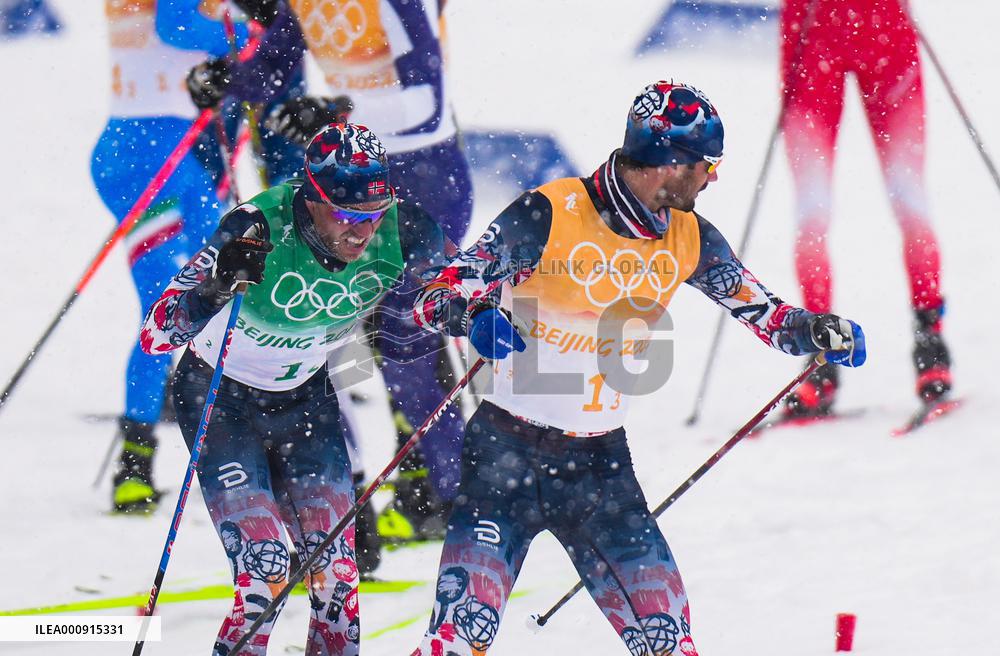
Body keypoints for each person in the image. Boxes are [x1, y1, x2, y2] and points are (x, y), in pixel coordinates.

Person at [407, 81, 867, 656]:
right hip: (505, 458)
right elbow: (435, 297)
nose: (712, 177)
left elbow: (769, 317)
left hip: (600, 471)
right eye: (706, 165)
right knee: (455, 642)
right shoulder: (548, 212)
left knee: (670, 644)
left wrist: (817, 330)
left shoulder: (689, 236)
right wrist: (473, 315)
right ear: (669, 164)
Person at [139, 123, 452, 655]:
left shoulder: (403, 230)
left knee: (338, 581)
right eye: (348, 216)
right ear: (310, 199)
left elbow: (462, 286)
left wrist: (477, 309)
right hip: (221, 401)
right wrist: (216, 284)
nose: (362, 233)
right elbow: (156, 331)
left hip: (304, 401)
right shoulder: (256, 226)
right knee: (265, 577)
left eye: (373, 216)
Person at [187, 0, 475, 543]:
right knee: (318, 331)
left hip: (426, 177)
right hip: (355, 191)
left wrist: (338, 115)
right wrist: (226, 81)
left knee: (404, 345)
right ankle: (369, 499)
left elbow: (425, 100)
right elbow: (272, 67)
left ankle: (451, 496)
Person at [91, 0, 250, 513]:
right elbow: (176, 25)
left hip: (172, 152)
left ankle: (250, 441)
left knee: (230, 288)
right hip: (148, 156)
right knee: (170, 303)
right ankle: (136, 461)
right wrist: (261, 29)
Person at [780, 0, 950, 418]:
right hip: (812, 31)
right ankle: (821, 353)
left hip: (883, 29)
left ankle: (931, 339)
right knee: (812, 209)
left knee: (909, 196)